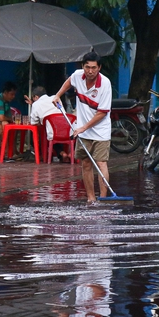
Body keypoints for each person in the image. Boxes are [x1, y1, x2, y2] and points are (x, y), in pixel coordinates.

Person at [52, 52, 112, 204]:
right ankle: (91, 198)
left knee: (101, 163)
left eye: (93, 68)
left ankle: (103, 199)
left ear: (99, 68)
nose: (90, 71)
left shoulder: (105, 84)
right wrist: (58, 95)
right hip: (83, 131)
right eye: (87, 67)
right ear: (83, 67)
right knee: (85, 163)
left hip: (101, 130)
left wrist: (82, 128)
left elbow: (102, 113)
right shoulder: (78, 75)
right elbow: (69, 81)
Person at [25, 86, 70, 162]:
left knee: (47, 134)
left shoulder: (36, 104)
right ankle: (66, 153)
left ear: (36, 97)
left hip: (52, 132)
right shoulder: (55, 98)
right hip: (68, 129)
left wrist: (34, 105)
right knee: (53, 132)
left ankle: (55, 154)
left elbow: (33, 123)